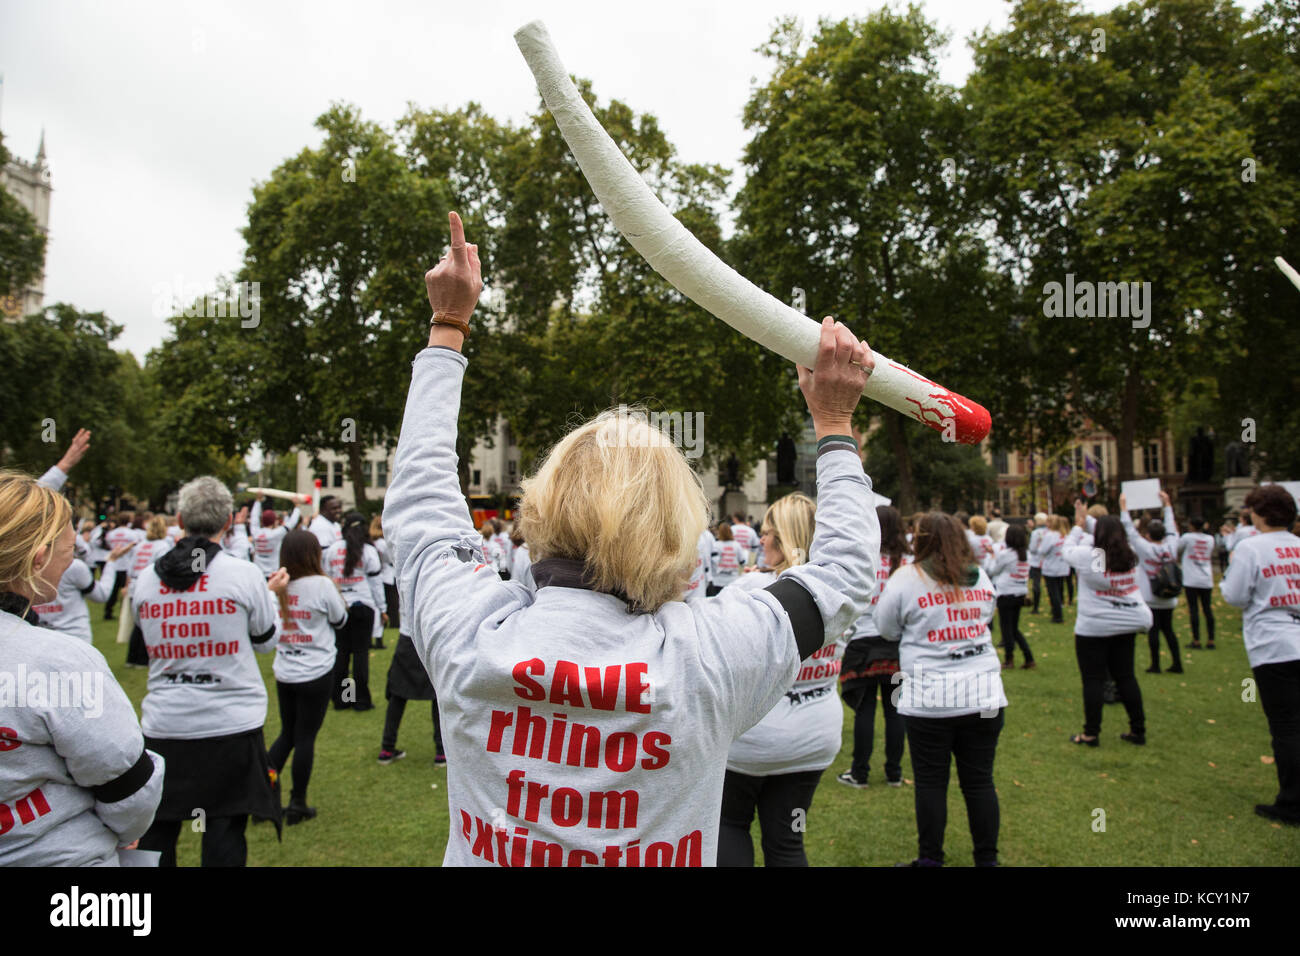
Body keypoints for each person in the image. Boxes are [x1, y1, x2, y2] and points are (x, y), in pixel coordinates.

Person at [384, 212, 877, 867]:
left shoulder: (469, 632)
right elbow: (842, 574)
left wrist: (448, 326)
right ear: (677, 530)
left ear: (541, 508)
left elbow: (420, 495)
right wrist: (835, 424)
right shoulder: (710, 657)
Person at [0, 469, 165, 866]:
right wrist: (127, 831)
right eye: (70, 549)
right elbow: (127, 784)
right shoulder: (60, 661)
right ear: (39, 557)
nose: (72, 560)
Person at [133, 476, 288, 867]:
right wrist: (272, 597)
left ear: (181, 518)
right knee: (223, 828)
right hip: (229, 725)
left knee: (159, 829)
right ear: (229, 523)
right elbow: (266, 640)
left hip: (166, 724)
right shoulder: (243, 575)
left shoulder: (146, 580)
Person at [717, 493, 846, 866]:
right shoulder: (838, 594)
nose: (761, 539)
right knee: (788, 840)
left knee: (729, 825)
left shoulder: (747, 592)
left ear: (786, 538)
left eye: (769, 532)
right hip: (812, 739)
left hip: (751, 742)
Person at [875, 512, 1005, 868]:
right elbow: (988, 615)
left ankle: (931, 859)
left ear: (922, 539)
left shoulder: (906, 579)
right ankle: (987, 860)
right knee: (979, 781)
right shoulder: (980, 577)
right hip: (983, 695)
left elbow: (884, 627)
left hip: (931, 699)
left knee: (931, 783)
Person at [1219, 485, 1300, 826]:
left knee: (1285, 727)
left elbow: (1235, 595)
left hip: (1274, 643)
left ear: (1259, 513)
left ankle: (1292, 802)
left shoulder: (1250, 548)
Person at [268, 529, 348, 825]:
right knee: (304, 738)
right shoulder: (321, 585)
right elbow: (341, 619)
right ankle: (297, 802)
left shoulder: (277, 585)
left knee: (287, 734)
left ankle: (262, 794)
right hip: (315, 671)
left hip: (285, 671)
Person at [1062, 499, 1151, 746]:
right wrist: (1087, 518)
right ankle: (1138, 730)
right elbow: (1108, 533)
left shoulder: (1091, 556)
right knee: (1126, 677)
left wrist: (1078, 526)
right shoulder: (1129, 553)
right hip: (1127, 622)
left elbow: (1066, 550)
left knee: (1093, 680)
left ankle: (1091, 733)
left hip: (1095, 626)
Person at [838, 504, 911, 788]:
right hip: (895, 643)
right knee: (895, 709)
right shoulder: (909, 560)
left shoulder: (863, 557)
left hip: (862, 640)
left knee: (864, 709)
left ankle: (859, 772)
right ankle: (893, 772)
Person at [379, 587, 447, 767]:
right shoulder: (431, 573)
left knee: (399, 695)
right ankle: (441, 751)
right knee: (433, 696)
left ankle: (387, 747)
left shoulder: (407, 572)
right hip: (424, 639)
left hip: (412, 638)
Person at [326, 511, 385, 709]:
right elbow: (376, 584)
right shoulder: (368, 551)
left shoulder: (333, 550)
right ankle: (360, 701)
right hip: (363, 607)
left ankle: (343, 699)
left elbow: (328, 578)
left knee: (342, 654)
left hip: (341, 607)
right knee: (360, 655)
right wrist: (382, 608)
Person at [1121, 492, 1182, 674]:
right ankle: (1177, 662)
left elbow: (1130, 531)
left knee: (1154, 631)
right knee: (1169, 630)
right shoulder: (1171, 545)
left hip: (1151, 595)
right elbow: (1172, 527)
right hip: (1170, 594)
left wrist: (1124, 508)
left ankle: (1155, 664)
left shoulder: (1145, 548)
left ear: (1147, 534)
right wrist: (1168, 505)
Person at [124, 516, 174, 668]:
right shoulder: (162, 546)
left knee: (137, 624)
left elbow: (130, 567)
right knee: (149, 625)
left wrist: (126, 586)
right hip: (150, 587)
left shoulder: (140, 545)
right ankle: (143, 659)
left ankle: (132, 658)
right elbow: (163, 569)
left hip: (134, 585)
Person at [985, 524, 1034, 669]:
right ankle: (1028, 657)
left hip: (1006, 593)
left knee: (1006, 628)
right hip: (1020, 593)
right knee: (1013, 628)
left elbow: (992, 571)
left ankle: (1009, 659)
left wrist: (992, 556)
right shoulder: (1027, 554)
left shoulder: (1006, 554)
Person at [1178, 516, 1217, 649]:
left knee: (1194, 610)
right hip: (1206, 578)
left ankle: (1196, 640)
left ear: (1191, 526)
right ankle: (1211, 639)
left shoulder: (1187, 537)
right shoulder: (1210, 539)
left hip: (1191, 579)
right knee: (1207, 610)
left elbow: (1178, 549)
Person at [250, 494, 305, 579]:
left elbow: (254, 518)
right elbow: (291, 523)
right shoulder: (275, 534)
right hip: (273, 573)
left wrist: (257, 501)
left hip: (258, 573)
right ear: (273, 521)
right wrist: (297, 506)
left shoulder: (255, 533)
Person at [1037, 515, 1069, 624]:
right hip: (1062, 566)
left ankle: (1057, 616)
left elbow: (1043, 550)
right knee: (1059, 591)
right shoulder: (1063, 535)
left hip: (1051, 567)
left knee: (1053, 592)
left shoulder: (1049, 535)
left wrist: (1040, 544)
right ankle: (1057, 610)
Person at [371, 514, 399, 638]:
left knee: (385, 599)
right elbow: (390, 556)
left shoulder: (374, 542)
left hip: (380, 572)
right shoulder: (383, 542)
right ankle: (393, 621)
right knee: (392, 601)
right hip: (388, 571)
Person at [708, 523, 745, 595]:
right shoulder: (736, 545)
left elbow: (712, 562)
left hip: (718, 580)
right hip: (733, 580)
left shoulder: (716, 545)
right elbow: (742, 562)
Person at [1028, 513, 1047, 614]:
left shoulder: (1036, 533)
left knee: (1036, 584)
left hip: (1037, 561)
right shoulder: (1049, 531)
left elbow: (1032, 548)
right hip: (1047, 561)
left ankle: (1036, 607)